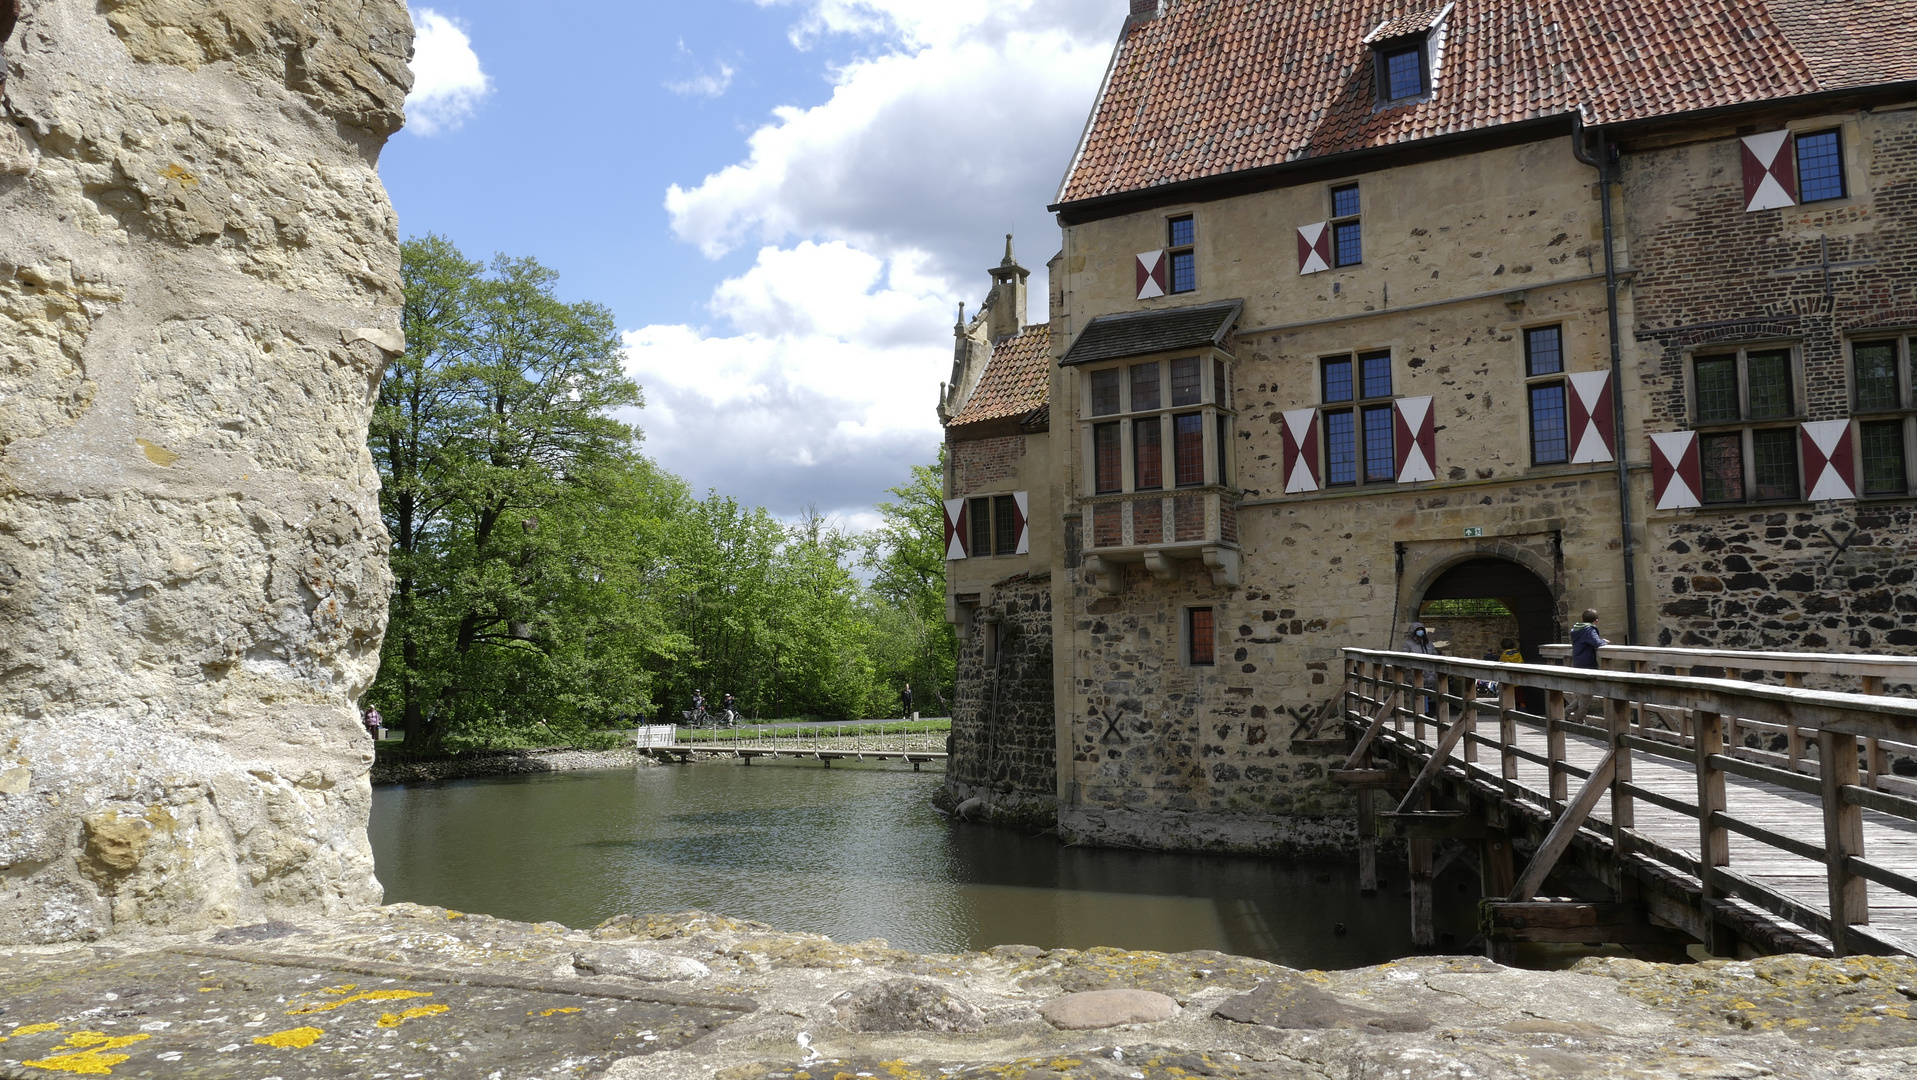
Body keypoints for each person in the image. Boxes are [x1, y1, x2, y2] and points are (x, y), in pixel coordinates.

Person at [1568, 609, 1609, 720]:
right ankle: (1580, 719)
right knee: (1587, 693)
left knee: (1585, 693)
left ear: (1582, 619)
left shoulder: (1575, 629)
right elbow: (1596, 643)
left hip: (1578, 661)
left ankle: (1567, 712)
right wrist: (1604, 641)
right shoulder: (1588, 629)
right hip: (1587, 663)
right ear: (1596, 621)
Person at [1402, 622, 1438, 719]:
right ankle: (1418, 711)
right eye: (1418, 630)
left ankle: (1426, 711)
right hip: (1416, 671)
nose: (1420, 632)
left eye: (1421, 630)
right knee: (1417, 691)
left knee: (1428, 692)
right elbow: (1406, 657)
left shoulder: (1428, 643)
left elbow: (1434, 655)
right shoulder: (1408, 644)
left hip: (1429, 671)